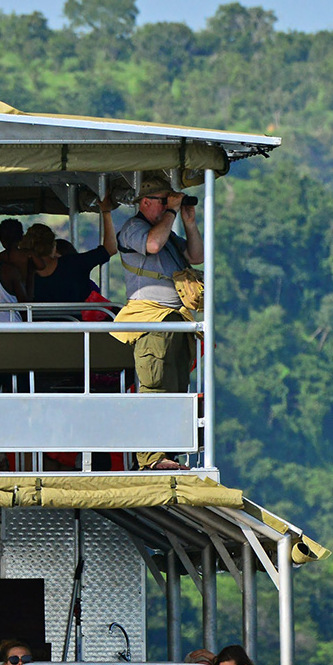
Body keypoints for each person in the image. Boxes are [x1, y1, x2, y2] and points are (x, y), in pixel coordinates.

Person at [113, 176, 204, 469]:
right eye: (164, 201)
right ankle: (151, 457)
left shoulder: (167, 233)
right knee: (155, 386)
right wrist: (172, 212)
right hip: (150, 320)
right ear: (145, 202)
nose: (168, 206)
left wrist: (188, 222)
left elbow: (197, 256)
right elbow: (152, 244)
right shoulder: (134, 229)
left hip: (176, 320)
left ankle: (169, 453)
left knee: (176, 389)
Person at [22, 200, 116, 304]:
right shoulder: (73, 264)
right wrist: (106, 212)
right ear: (53, 246)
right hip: (77, 315)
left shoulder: (23, 273)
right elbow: (110, 249)